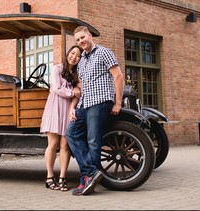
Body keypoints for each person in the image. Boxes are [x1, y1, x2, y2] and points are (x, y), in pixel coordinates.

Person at [66, 26, 124, 196]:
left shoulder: (104, 52)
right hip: (85, 104)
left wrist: (118, 103)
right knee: (71, 133)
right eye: (77, 40)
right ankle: (91, 172)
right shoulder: (82, 59)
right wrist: (74, 107)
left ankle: (87, 178)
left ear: (90, 35)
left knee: (93, 141)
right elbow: (82, 87)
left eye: (82, 37)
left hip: (100, 101)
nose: (80, 42)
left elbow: (118, 76)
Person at [40, 45, 82, 192]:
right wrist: (73, 92)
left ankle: (63, 177)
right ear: (68, 53)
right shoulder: (57, 69)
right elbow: (57, 88)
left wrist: (74, 99)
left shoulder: (78, 74)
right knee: (53, 144)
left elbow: (79, 93)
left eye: (78, 56)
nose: (74, 57)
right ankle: (49, 177)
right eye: (72, 53)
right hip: (54, 108)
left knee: (65, 144)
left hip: (68, 110)